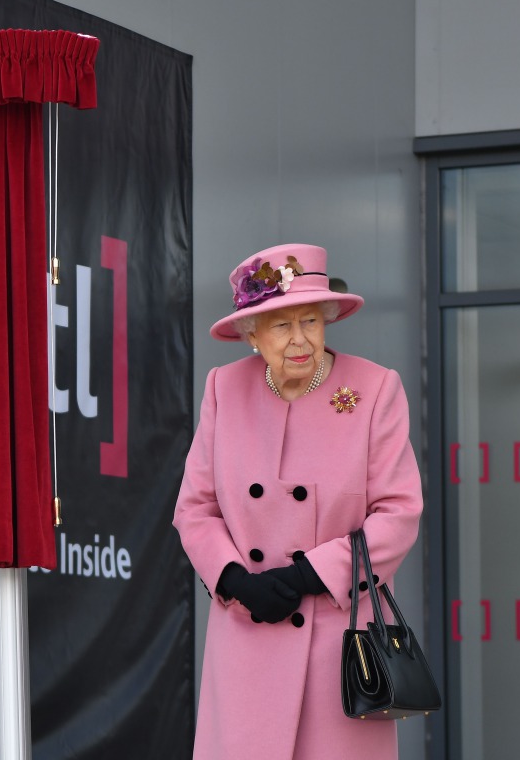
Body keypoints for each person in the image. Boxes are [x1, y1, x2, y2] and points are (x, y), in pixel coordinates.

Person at [173, 243, 423, 759]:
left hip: (341, 649)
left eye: (310, 320)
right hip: (248, 637)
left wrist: (308, 575)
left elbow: (398, 514)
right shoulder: (224, 388)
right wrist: (235, 580)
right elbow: (195, 509)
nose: (299, 339)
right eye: (281, 326)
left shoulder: (374, 390)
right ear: (252, 334)